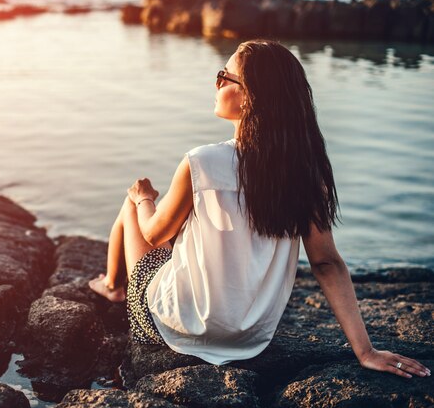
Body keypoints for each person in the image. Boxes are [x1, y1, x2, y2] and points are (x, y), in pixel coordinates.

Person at [88, 39, 430, 379]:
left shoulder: (201, 162)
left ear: (249, 96)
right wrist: (365, 351)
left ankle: (112, 287)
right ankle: (113, 283)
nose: (217, 82)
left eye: (224, 76)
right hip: (251, 338)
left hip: (175, 326)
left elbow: (152, 233)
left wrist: (144, 197)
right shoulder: (306, 176)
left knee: (132, 205)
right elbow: (326, 263)